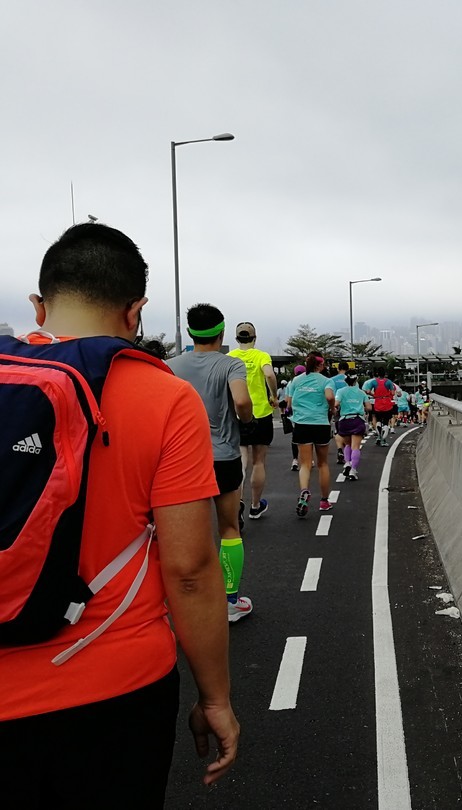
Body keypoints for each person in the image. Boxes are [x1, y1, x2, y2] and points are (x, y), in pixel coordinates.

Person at [0, 223, 238, 803]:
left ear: (38, 305)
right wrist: (215, 698)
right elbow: (189, 569)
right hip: (113, 687)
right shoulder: (163, 397)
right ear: (136, 312)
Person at [167, 304, 255, 623]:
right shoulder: (231, 365)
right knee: (229, 528)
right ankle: (230, 601)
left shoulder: (169, 365)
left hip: (181, 461)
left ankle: (187, 599)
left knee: (190, 533)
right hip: (223, 457)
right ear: (221, 332)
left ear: (191, 333)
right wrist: (244, 418)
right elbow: (242, 401)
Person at [228, 322, 278, 521]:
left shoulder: (229, 358)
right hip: (260, 413)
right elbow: (269, 374)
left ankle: (237, 501)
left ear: (237, 339)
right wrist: (273, 396)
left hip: (237, 413)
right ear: (254, 338)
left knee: (241, 460)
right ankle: (255, 506)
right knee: (259, 461)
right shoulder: (261, 356)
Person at [286, 352, 336, 516]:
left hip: (301, 424)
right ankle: (324, 501)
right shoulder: (327, 381)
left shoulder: (296, 380)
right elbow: (329, 396)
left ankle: (304, 492)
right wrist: (332, 407)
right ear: (321, 365)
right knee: (322, 464)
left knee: (305, 464)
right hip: (320, 424)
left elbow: (289, 402)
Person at [335, 373, 369, 480]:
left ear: (346, 381)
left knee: (347, 444)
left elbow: (336, 404)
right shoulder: (361, 392)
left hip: (344, 420)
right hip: (358, 420)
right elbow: (369, 407)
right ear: (356, 380)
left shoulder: (340, 391)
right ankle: (353, 471)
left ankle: (347, 463)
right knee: (356, 447)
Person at [362, 365, 398, 446]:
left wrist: (374, 395)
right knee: (386, 422)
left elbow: (367, 391)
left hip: (377, 402)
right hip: (387, 402)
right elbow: (392, 393)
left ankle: (379, 435)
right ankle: (384, 440)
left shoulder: (373, 382)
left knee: (378, 420)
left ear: (377, 374)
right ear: (385, 374)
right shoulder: (389, 382)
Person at [327, 362, 350, 465]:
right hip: (349, 408)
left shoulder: (332, 380)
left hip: (337, 406)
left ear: (338, 369)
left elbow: (331, 394)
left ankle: (340, 450)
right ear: (348, 369)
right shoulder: (351, 379)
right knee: (348, 431)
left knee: (339, 429)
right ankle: (346, 453)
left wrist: (332, 408)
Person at [285, 364, 305, 472]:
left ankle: (295, 460)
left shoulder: (291, 383)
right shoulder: (307, 381)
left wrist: (288, 409)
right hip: (307, 413)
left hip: (295, 413)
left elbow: (288, 399)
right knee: (308, 438)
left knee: (295, 437)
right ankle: (308, 459)